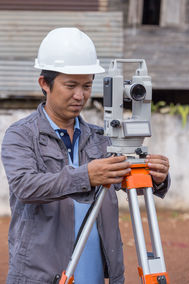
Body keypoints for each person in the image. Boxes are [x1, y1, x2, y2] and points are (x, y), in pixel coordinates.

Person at [1, 28, 170, 284]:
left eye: (87, 86)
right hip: (40, 275)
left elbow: (128, 185)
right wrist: (86, 176)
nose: (80, 95)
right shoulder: (21, 135)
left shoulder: (102, 138)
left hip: (93, 274)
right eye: (70, 85)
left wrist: (157, 178)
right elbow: (25, 187)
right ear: (44, 83)